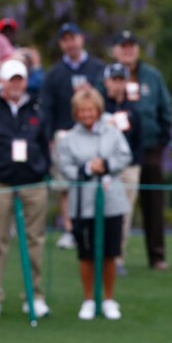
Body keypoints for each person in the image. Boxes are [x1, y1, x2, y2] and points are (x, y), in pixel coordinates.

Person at [57, 87, 131, 321]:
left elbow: (124, 156)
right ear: (76, 113)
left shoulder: (112, 132)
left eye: (91, 110)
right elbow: (65, 166)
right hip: (83, 203)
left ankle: (108, 299)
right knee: (86, 253)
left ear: (98, 110)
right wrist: (88, 168)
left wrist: (106, 165)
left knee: (110, 252)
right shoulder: (69, 138)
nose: (87, 114)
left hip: (111, 201)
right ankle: (88, 299)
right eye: (82, 111)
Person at [0, 60, 51, 319]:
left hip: (33, 182)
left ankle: (34, 296)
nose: (16, 85)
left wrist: (44, 169)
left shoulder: (36, 108)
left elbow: (44, 144)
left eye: (20, 79)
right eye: (11, 79)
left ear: (25, 81)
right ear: (1, 82)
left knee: (35, 240)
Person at [40, 22, 105, 251]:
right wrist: (47, 136)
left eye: (73, 38)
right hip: (64, 135)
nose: (70, 43)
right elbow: (46, 107)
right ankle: (70, 230)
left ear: (82, 39)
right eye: (65, 39)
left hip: (93, 135)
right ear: (61, 44)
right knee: (66, 184)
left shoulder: (98, 68)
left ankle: (91, 227)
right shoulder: (55, 73)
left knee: (93, 182)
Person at [112, 30, 172, 271]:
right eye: (123, 46)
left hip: (149, 147)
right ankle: (115, 257)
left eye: (131, 45)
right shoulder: (109, 75)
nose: (128, 50)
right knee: (119, 204)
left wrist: (162, 139)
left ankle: (156, 256)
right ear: (115, 50)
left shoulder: (151, 76)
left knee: (153, 202)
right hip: (117, 150)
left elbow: (165, 108)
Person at [101, 63, 143, 277]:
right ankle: (100, 255)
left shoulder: (133, 108)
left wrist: (134, 162)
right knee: (102, 212)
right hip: (105, 168)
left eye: (121, 79)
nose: (118, 84)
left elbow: (139, 139)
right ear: (106, 81)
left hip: (128, 167)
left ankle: (117, 258)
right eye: (114, 79)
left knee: (124, 215)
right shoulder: (99, 106)